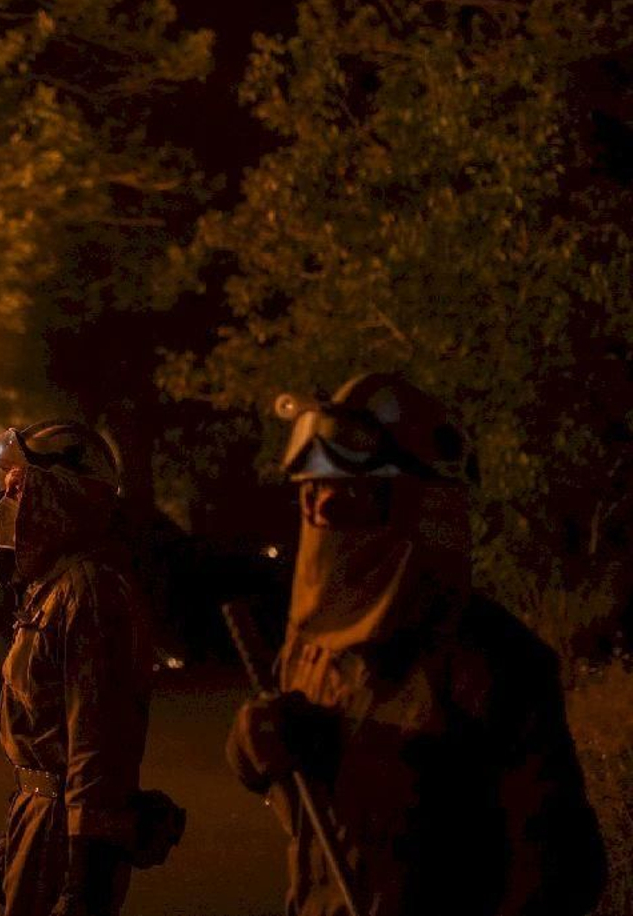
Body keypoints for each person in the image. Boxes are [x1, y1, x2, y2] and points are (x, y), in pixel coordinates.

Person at [227, 373, 606, 916]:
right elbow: (290, 794)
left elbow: (564, 870)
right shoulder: (312, 648)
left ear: (417, 506)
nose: (322, 513)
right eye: (311, 493)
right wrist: (252, 747)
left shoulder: (488, 659)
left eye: (348, 494)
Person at [0, 420, 183, 916]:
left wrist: (85, 870)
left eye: (20, 487)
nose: (9, 502)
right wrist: (21, 826)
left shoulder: (88, 593)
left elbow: (97, 739)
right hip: (43, 818)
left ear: (61, 494)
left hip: (66, 829)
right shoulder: (55, 588)